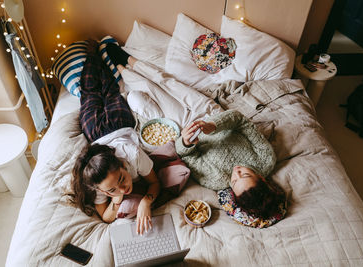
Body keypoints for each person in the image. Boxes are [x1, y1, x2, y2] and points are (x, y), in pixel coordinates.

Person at [71, 40, 160, 235]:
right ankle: (93, 54)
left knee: (106, 89)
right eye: (111, 189)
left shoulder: (133, 155)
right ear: (102, 191)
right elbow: (106, 216)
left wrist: (146, 201)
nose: (123, 187)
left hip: (103, 128)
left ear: (122, 164)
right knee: (89, 92)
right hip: (119, 123)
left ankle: (97, 55)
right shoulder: (96, 182)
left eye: (121, 178)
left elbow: (155, 182)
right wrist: (116, 199)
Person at [175, 109, 285, 219]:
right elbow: (240, 119)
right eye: (245, 174)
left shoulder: (215, 180)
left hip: (185, 132)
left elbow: (186, 156)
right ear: (262, 178)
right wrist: (213, 125)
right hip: (215, 117)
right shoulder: (266, 158)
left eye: (234, 181)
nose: (236, 171)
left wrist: (185, 142)